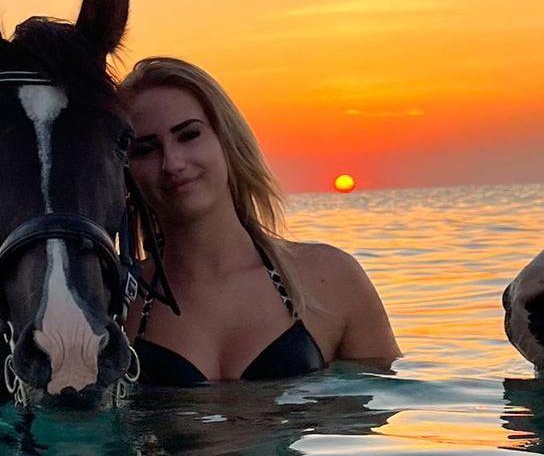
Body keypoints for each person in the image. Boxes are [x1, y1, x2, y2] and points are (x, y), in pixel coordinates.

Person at [118, 57, 401, 385]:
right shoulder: (118, 307)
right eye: (145, 150)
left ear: (226, 141)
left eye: (189, 135)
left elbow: (381, 424)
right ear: (124, 170)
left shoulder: (330, 280)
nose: (172, 163)